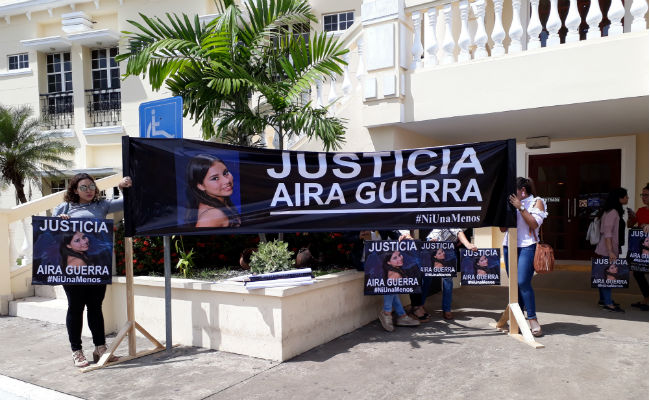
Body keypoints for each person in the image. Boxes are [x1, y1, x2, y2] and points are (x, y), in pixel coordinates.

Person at [53, 173, 132, 368]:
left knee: (96, 307)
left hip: (97, 265)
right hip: (72, 269)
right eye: (83, 187)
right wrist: (60, 221)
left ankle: (100, 349)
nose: (89, 190)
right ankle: (77, 351)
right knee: (75, 307)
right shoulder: (64, 208)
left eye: (91, 186)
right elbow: (51, 232)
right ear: (74, 190)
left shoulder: (102, 205)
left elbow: (125, 202)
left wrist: (122, 188)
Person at [502, 177, 548, 337]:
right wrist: (506, 210)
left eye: (513, 192)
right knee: (514, 285)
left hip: (527, 246)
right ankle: (517, 319)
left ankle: (532, 319)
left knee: (523, 282)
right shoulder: (510, 203)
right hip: (509, 245)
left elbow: (534, 224)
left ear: (522, 190)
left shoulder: (537, 202)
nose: (510, 196)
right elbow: (502, 229)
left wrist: (520, 207)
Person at [408, 228, 476, 322]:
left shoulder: (468, 219)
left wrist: (463, 241)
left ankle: (447, 309)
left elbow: (459, 232)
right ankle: (420, 306)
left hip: (448, 246)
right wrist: (467, 244)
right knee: (427, 277)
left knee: (448, 279)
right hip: (433, 242)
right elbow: (457, 231)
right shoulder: (454, 215)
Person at [594, 187, 629, 313]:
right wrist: (610, 251)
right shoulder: (613, 212)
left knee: (603, 275)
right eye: (626, 196)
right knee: (608, 276)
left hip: (608, 248)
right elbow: (608, 233)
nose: (627, 199)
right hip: (607, 249)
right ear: (619, 198)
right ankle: (608, 303)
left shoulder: (610, 211)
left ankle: (603, 300)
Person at [186, 154, 241, 228]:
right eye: (215, 178)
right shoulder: (213, 215)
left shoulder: (220, 201)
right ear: (200, 186)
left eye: (225, 173)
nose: (227, 180)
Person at [377, 250, 420, 332]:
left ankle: (401, 315)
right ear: (389, 262)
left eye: (400, 255)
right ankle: (387, 312)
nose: (400, 258)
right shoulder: (395, 273)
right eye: (395, 258)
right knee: (392, 287)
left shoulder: (396, 270)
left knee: (394, 289)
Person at [628, 183, 649, 311]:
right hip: (642, 249)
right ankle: (646, 299)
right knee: (637, 273)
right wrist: (631, 218)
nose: (643, 197)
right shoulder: (641, 211)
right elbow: (630, 225)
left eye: (646, 195)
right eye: (642, 195)